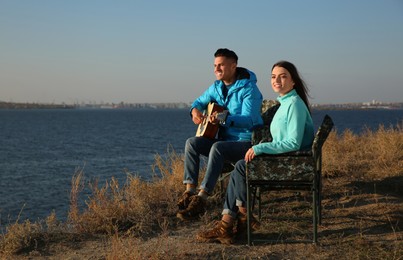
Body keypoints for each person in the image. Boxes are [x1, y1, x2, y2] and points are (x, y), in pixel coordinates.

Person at [195, 60, 315, 244]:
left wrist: (259, 147)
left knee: (242, 167)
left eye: (283, 77)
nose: (277, 81)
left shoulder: (295, 105)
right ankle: (232, 223)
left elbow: (293, 142)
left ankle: (239, 220)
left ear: (293, 82)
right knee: (241, 166)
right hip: (286, 160)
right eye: (274, 77)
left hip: (292, 165)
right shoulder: (286, 103)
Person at [177, 48, 263, 220]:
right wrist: (194, 111)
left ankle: (202, 199)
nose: (216, 69)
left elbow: (251, 120)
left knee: (217, 147)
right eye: (215, 65)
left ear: (233, 66)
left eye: (221, 65)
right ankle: (189, 193)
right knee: (192, 143)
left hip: (245, 144)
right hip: (224, 144)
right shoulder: (216, 87)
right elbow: (198, 102)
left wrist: (225, 119)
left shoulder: (249, 89)